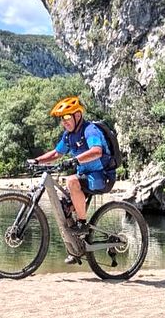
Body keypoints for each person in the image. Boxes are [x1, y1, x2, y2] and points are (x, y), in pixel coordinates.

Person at [27, 95, 113, 263]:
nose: (64, 122)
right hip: (85, 177)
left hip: (102, 176)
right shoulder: (68, 135)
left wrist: (75, 159)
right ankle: (77, 249)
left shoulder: (90, 130)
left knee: (71, 181)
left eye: (67, 117)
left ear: (77, 115)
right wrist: (37, 161)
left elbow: (97, 151)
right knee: (63, 208)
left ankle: (82, 224)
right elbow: (56, 153)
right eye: (62, 119)